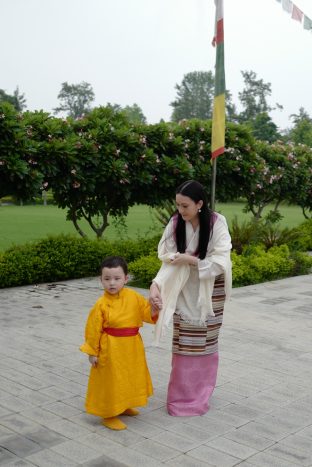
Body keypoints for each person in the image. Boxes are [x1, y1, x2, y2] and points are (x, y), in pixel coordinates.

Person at [149, 180, 232, 417]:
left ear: (200, 204)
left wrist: (191, 260)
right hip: (184, 288)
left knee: (206, 344)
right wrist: (156, 284)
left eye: (185, 206)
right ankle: (179, 399)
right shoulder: (176, 222)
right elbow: (167, 257)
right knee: (184, 343)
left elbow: (221, 259)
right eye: (178, 205)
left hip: (210, 289)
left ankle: (201, 395)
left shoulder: (217, 222)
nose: (180, 210)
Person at [80, 255, 159, 431]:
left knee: (129, 377)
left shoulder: (134, 297)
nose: (112, 283)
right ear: (101, 280)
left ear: (126, 278)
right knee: (111, 381)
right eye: (107, 279)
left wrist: (154, 308)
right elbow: (93, 330)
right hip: (111, 348)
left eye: (117, 278)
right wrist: (92, 352)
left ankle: (124, 405)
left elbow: (147, 314)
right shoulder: (101, 304)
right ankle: (108, 414)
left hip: (131, 347)